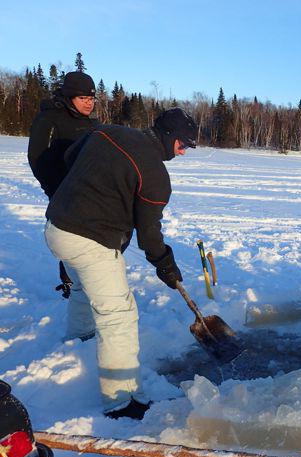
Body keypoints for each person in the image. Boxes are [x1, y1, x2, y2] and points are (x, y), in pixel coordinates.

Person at [44, 108, 197, 419]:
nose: (183, 152)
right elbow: (149, 233)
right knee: (119, 316)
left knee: (83, 288)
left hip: (56, 227)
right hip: (89, 239)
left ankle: (80, 337)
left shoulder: (109, 131)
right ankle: (121, 401)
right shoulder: (155, 175)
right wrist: (165, 264)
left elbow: (70, 156)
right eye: (183, 144)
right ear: (169, 137)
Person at [28, 71, 98, 298]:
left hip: (87, 191)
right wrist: (55, 191)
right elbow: (37, 159)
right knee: (68, 236)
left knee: (87, 239)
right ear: (69, 97)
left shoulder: (88, 122)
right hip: (63, 192)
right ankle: (69, 282)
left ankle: (87, 278)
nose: (89, 103)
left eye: (92, 98)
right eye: (83, 99)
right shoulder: (49, 118)